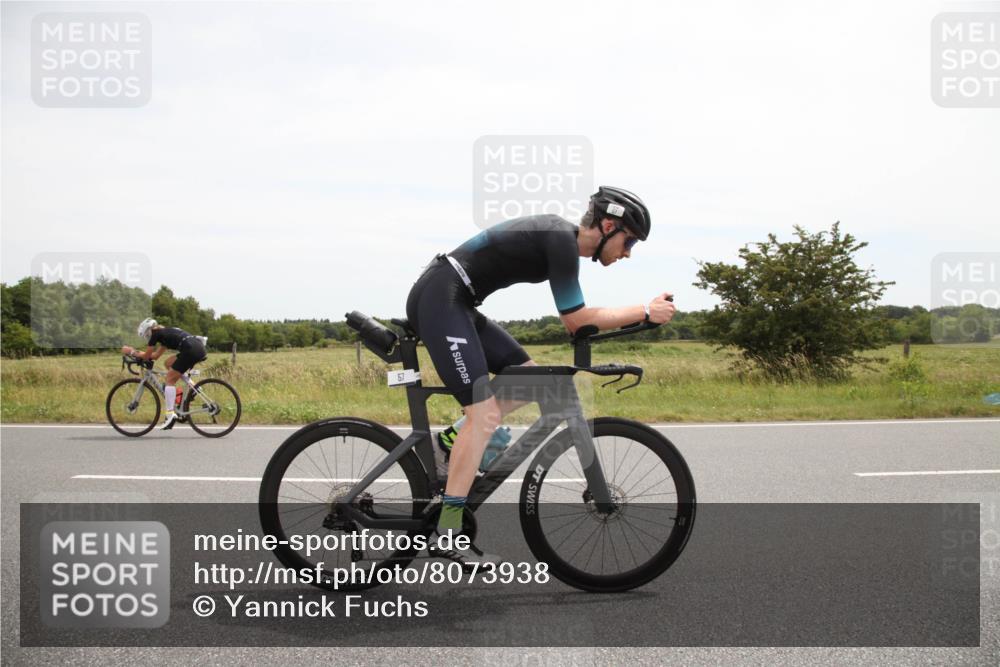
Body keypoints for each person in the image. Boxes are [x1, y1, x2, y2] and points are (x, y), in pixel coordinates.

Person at [406, 186, 676, 568]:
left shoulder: (562, 242)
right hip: (441, 297)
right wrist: (644, 311)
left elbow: (576, 322)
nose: (628, 252)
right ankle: (447, 531)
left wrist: (640, 315)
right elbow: (576, 320)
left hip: (457, 301)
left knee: (533, 380)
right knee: (483, 414)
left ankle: (449, 444)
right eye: (629, 241)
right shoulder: (561, 241)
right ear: (608, 226)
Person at [122, 318, 208, 430]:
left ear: (149, 330)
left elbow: (147, 356)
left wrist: (131, 352)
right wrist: (138, 353)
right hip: (197, 348)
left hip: (190, 350)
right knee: (168, 363)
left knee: (169, 380)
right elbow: (155, 356)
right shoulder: (164, 334)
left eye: (146, 335)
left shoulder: (155, 334)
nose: (147, 337)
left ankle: (170, 415)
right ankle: (194, 388)